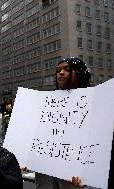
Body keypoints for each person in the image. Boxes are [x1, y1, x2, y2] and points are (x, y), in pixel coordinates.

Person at [35, 57, 97, 189]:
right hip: (45, 173)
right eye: (58, 70)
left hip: (74, 175)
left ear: (79, 73)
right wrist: (27, 157)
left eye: (67, 69)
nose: (61, 73)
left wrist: (88, 175)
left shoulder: (96, 103)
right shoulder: (48, 102)